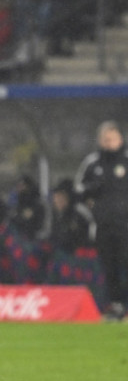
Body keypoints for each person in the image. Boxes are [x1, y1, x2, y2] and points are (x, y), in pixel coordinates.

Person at [74, 120, 128, 320]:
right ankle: (115, 307)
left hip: (126, 226)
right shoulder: (92, 163)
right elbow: (77, 192)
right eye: (105, 139)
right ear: (100, 141)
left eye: (112, 139)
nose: (109, 143)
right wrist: (92, 193)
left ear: (120, 139)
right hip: (103, 227)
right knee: (110, 267)